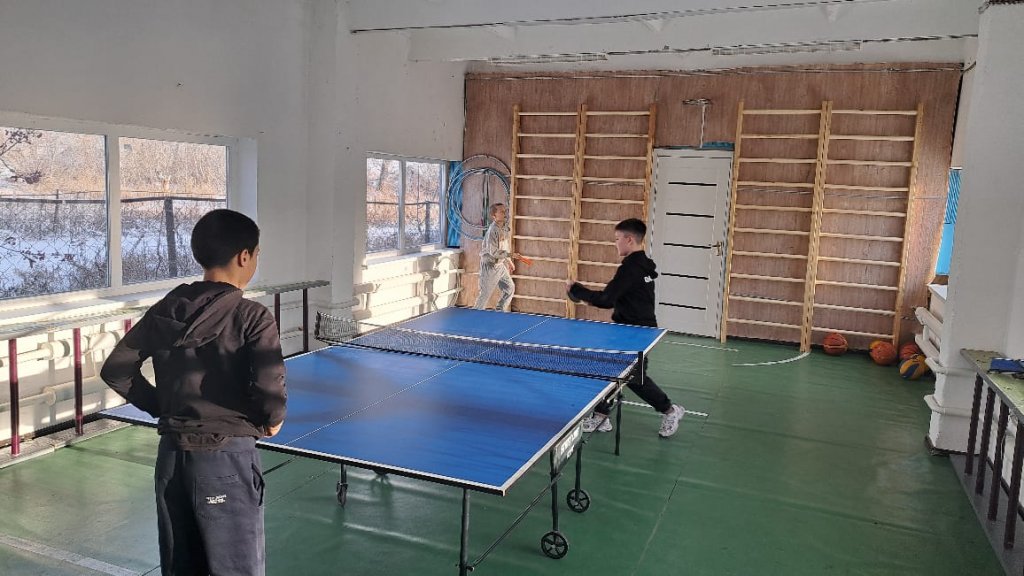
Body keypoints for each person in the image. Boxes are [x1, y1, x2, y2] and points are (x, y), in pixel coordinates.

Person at [101, 209, 287, 576]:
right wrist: (273, 419)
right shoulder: (252, 316)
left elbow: (116, 369)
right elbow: (270, 383)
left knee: (180, 567)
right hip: (227, 459)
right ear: (244, 257)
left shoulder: (166, 309)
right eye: (256, 254)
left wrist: (161, 405)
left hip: (171, 459)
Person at [566, 218, 684, 438]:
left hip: (636, 333)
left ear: (629, 240)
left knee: (633, 378)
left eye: (617, 239)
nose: (616, 243)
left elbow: (606, 299)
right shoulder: (643, 265)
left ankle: (670, 410)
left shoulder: (630, 269)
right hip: (629, 330)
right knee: (610, 370)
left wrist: (577, 290)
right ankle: (601, 416)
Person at [474, 202, 518, 311]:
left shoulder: (503, 227)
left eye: (505, 211)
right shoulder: (492, 231)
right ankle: (474, 317)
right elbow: (494, 252)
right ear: (494, 216)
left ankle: (500, 312)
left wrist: (509, 261)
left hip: (499, 266)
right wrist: (510, 255)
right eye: (501, 212)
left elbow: (504, 246)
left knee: (509, 288)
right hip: (489, 267)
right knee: (484, 295)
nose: (504, 213)